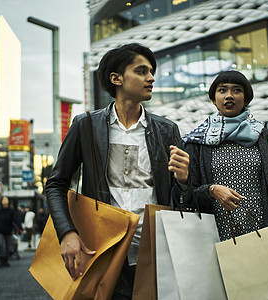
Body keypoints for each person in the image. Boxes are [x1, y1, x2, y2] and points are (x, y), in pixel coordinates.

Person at [45, 43, 190, 299]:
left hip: (155, 250)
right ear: (117, 78)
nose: (151, 78)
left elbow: (181, 198)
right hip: (102, 247)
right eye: (141, 71)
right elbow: (56, 184)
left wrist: (184, 180)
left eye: (151, 72)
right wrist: (67, 233)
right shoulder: (86, 125)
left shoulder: (166, 130)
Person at [183, 70, 268, 240]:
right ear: (214, 100)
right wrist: (211, 190)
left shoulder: (263, 136)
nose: (229, 96)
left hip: (264, 233)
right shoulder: (198, 141)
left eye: (237, 90)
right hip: (217, 236)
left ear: (246, 99)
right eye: (222, 90)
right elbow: (187, 195)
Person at [0, 196, 22, 269]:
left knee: (7, 246)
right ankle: (1, 261)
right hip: (0, 231)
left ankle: (6, 261)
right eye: (3, 200)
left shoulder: (11, 211)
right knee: (1, 245)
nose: (4, 201)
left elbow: (15, 220)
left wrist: (20, 228)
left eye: (6, 200)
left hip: (8, 231)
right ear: (1, 202)